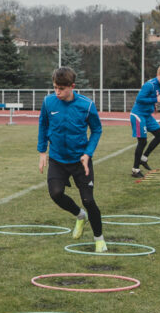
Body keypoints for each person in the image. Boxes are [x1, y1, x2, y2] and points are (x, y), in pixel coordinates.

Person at [37, 67, 107, 253]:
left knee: (88, 200)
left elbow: (97, 130)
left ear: (72, 87)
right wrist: (42, 151)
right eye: (55, 88)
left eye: (61, 88)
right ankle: (79, 216)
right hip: (58, 159)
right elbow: (43, 124)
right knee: (56, 193)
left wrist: (88, 153)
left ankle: (99, 239)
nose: (57, 92)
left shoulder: (87, 105)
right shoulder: (48, 102)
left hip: (80, 161)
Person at [130, 65, 160, 178]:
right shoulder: (149, 85)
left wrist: (154, 105)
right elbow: (139, 99)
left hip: (147, 115)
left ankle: (144, 158)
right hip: (138, 115)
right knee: (142, 141)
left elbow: (151, 99)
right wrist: (155, 100)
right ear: (157, 75)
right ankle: (135, 169)